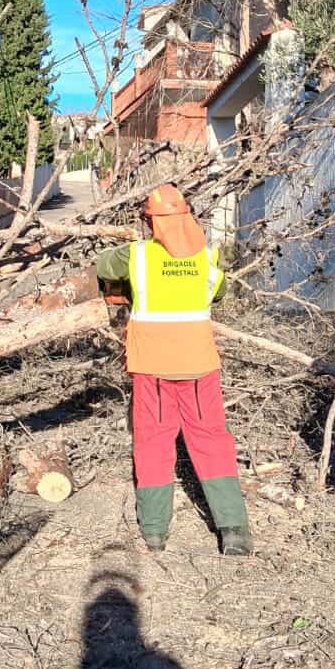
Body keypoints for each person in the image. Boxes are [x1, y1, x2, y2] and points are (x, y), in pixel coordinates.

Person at [95, 184, 252, 557]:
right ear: (186, 217)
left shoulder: (136, 257)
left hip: (153, 369)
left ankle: (153, 532)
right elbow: (218, 294)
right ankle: (235, 532)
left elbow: (103, 266)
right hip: (199, 368)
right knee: (211, 441)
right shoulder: (208, 258)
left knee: (153, 442)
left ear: (151, 222)